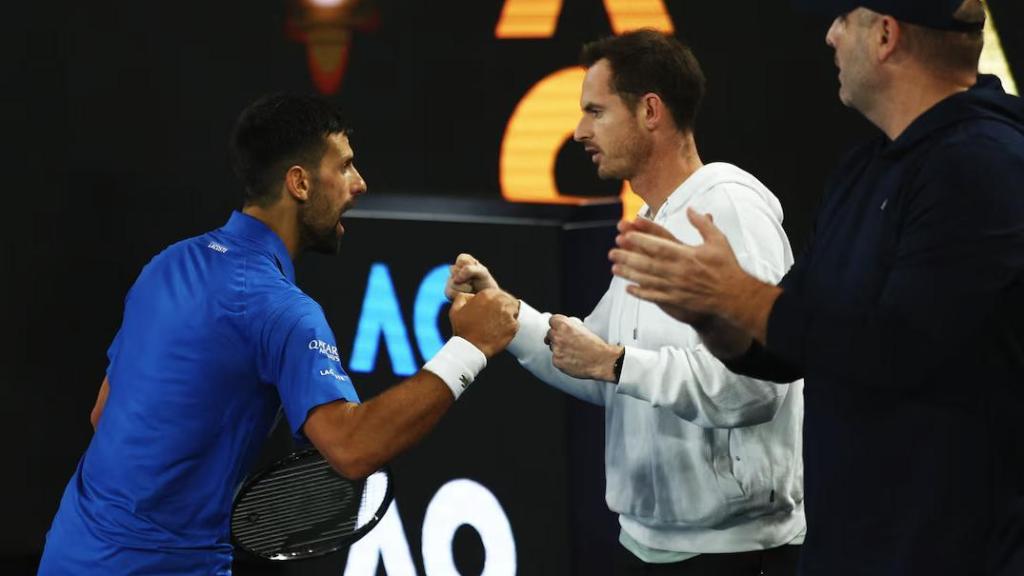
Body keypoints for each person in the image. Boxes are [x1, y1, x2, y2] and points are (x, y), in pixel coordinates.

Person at [610, 2, 1024, 575]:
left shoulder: (984, 164)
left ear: (885, 34)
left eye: (843, 19)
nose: (829, 36)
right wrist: (708, 311)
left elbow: (900, 350)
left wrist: (737, 295)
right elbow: (788, 343)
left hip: (949, 551)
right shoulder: (866, 165)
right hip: (850, 546)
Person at [37, 94, 520, 575]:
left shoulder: (166, 265)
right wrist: (468, 348)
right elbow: (352, 449)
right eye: (346, 166)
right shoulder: (282, 311)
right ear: (300, 183)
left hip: (69, 550)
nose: (360, 183)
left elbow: (105, 413)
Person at [448, 30, 804, 575]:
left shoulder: (730, 209)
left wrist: (616, 363)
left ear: (651, 112)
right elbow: (591, 363)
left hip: (735, 556)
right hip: (644, 546)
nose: (579, 131)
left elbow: (758, 387)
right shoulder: (651, 222)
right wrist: (510, 315)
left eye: (596, 111)